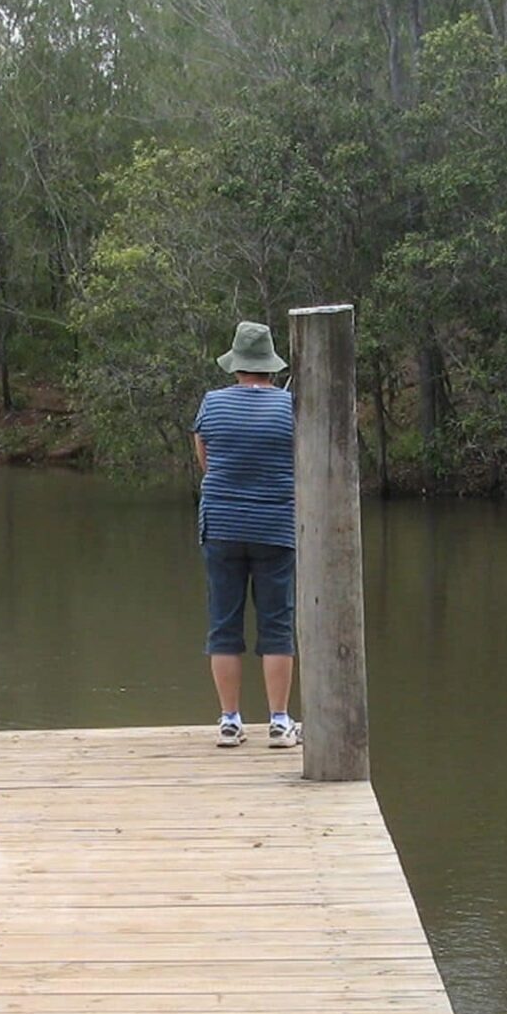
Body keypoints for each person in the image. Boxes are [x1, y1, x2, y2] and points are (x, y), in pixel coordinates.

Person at [193, 320, 300, 749]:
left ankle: (230, 721)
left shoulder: (212, 403)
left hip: (221, 525)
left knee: (223, 624)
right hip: (275, 527)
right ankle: (279, 722)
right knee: (277, 626)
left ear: (236, 365)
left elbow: (205, 458)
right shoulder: (290, 406)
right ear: (270, 367)